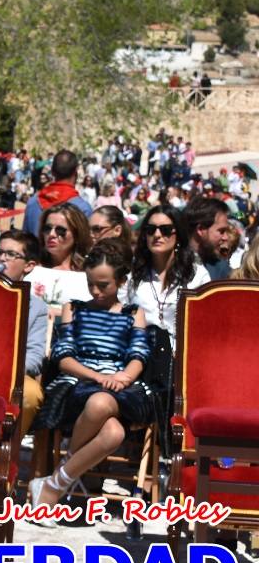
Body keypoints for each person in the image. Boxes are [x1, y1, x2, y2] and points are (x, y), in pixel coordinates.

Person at [30, 240, 152, 520]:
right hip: (78, 382)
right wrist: (98, 376)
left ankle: (55, 482)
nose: (96, 291)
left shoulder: (133, 313)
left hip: (119, 387)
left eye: (104, 285)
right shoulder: (75, 308)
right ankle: (57, 483)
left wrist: (123, 377)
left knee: (106, 412)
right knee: (112, 431)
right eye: (91, 284)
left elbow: (138, 354)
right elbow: (64, 356)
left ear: (121, 281)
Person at [124, 206, 209, 342]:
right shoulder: (132, 271)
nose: (157, 235)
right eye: (151, 230)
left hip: (181, 355)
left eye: (166, 230)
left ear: (178, 234)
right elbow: (121, 315)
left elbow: (205, 323)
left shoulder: (197, 275)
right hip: (140, 354)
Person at [0, 230, 49, 434]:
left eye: (10, 254)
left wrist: (3, 371)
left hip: (12, 375)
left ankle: (4, 455)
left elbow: (35, 357)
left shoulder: (36, 308)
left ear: (29, 265)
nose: (2, 259)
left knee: (31, 393)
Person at [25, 202, 93, 308]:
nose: (51, 234)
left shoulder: (90, 272)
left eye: (60, 230)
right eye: (47, 228)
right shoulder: (29, 267)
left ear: (77, 234)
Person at [23, 149, 93, 236]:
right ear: (76, 173)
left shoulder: (32, 202)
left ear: (52, 172)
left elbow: (25, 241)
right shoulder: (83, 208)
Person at [184, 196, 232, 279]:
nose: (226, 237)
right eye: (221, 231)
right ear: (201, 229)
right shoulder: (170, 264)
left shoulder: (222, 270)